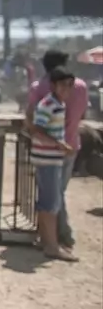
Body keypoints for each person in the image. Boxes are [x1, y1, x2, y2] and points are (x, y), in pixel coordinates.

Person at [27, 49, 89, 252]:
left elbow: (31, 120)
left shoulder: (39, 87)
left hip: (51, 149)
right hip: (70, 145)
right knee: (56, 194)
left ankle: (56, 236)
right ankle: (56, 238)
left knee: (52, 195)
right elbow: (83, 115)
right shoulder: (80, 86)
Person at [29, 68, 78, 262]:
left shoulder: (58, 104)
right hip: (47, 158)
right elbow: (37, 130)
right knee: (50, 204)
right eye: (64, 84)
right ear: (54, 85)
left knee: (48, 202)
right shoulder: (49, 104)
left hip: (51, 158)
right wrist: (58, 144)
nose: (67, 88)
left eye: (70, 85)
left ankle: (47, 241)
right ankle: (52, 246)